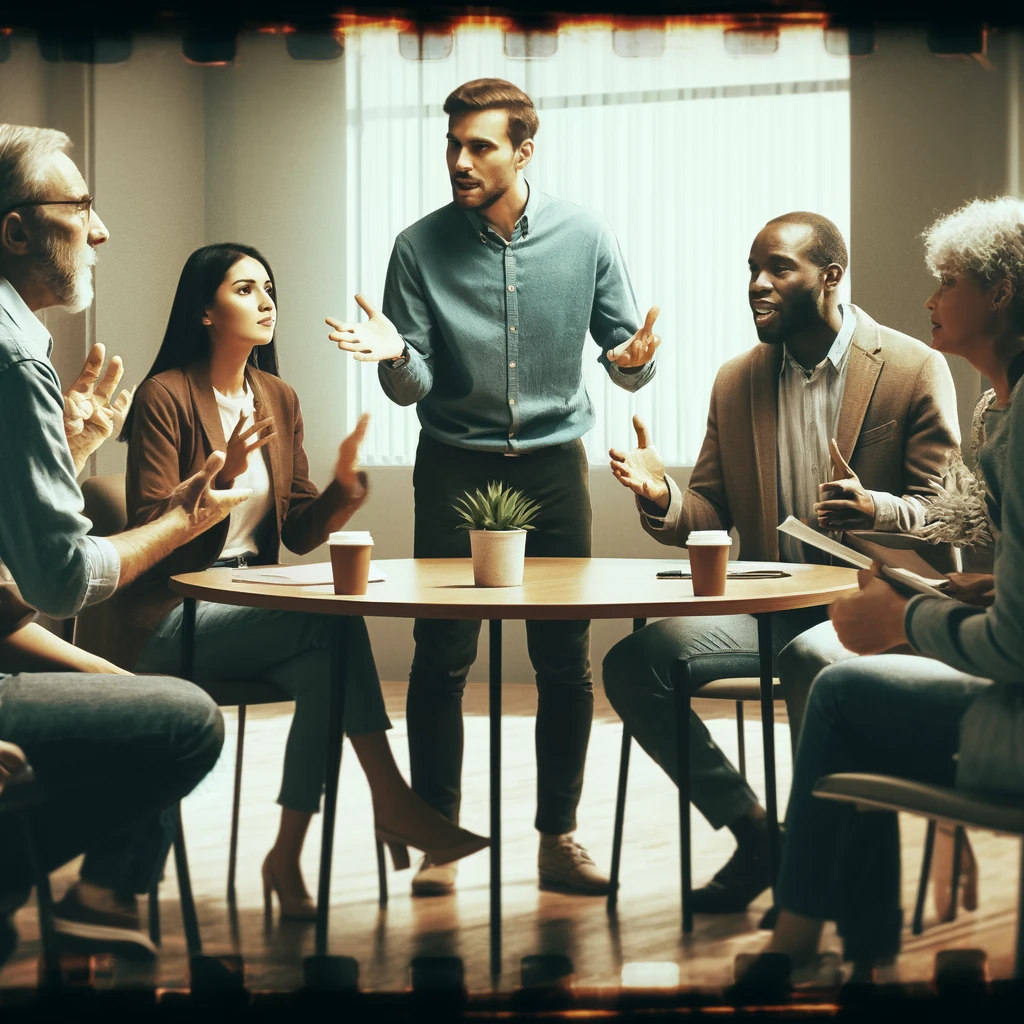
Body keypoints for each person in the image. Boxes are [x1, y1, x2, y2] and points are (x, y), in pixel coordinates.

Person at [328, 79, 660, 897]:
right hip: (454, 465)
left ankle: (559, 839)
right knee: (442, 659)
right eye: (452, 145)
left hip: (553, 468)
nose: (461, 160)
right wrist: (394, 357)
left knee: (565, 661)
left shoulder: (586, 236)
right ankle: (439, 838)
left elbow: (628, 360)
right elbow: (412, 388)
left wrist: (634, 361)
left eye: (479, 145)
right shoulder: (416, 247)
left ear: (523, 151)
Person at [89, 243, 488, 921]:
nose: (266, 300)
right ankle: (393, 803)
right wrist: (216, 481)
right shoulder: (164, 396)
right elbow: (152, 534)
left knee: (324, 667)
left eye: (269, 287)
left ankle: (287, 854)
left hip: (255, 608)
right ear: (205, 310)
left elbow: (298, 531)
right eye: (245, 289)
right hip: (170, 614)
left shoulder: (278, 396)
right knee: (331, 624)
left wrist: (341, 492)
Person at [602, 212, 960, 916]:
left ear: (831, 277)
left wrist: (877, 506)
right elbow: (708, 510)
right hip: (772, 609)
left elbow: (945, 517)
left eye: (778, 269)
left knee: (814, 665)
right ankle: (762, 834)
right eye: (752, 270)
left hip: (877, 612)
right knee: (632, 664)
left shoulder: (913, 367)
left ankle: (830, 892)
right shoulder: (736, 381)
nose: (758, 285)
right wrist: (662, 495)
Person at [742, 195, 1024, 983]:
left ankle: (807, 937)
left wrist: (914, 614)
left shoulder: (1004, 411)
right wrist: (965, 580)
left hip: (1014, 709)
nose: (931, 299)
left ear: (1000, 294)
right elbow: (964, 511)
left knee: (836, 690)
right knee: (832, 677)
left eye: (949, 280)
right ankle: (846, 939)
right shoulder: (1002, 403)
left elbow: (1016, 645)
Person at [0, 123, 235, 959]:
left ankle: (97, 894)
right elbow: (58, 580)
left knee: (134, 685)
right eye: (83, 206)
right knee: (184, 718)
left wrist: (71, 451)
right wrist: (181, 524)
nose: (101, 231)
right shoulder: (14, 355)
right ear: (16, 230)